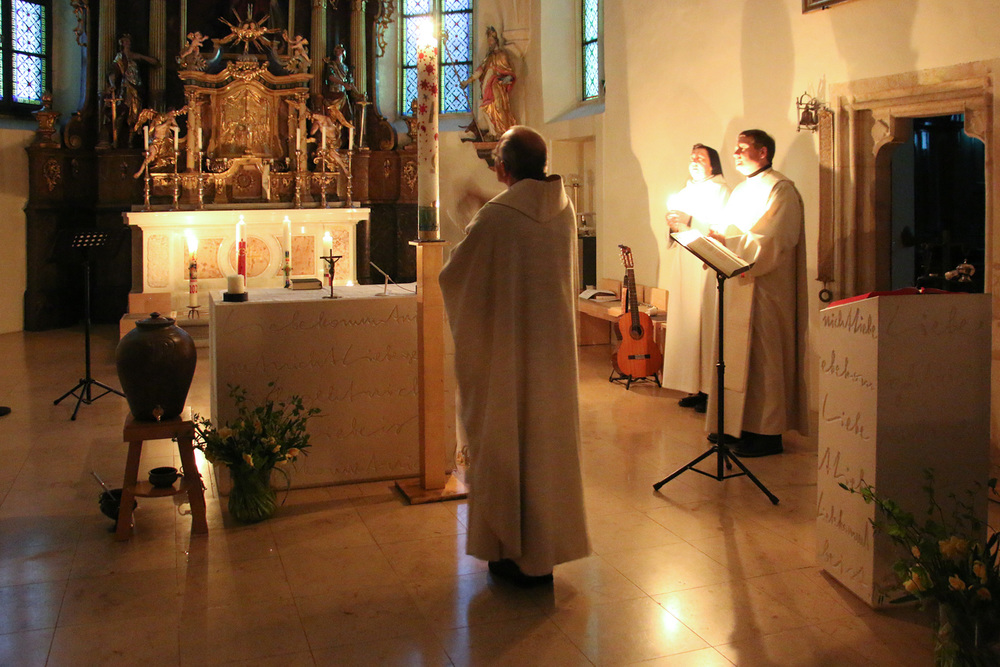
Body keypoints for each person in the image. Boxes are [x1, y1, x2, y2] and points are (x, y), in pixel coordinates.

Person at [439, 125, 590, 586]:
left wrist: (467, 217)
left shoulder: (496, 218)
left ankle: (509, 551)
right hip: (552, 359)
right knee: (546, 448)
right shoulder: (563, 209)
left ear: (503, 167)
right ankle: (543, 553)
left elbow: (457, 276)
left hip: (507, 356)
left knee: (506, 442)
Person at [706, 129, 808, 457]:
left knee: (764, 360)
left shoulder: (781, 189)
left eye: (742, 148)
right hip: (737, 284)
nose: (735, 153)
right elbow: (728, 230)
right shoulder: (740, 190)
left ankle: (766, 433)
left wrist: (729, 242)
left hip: (766, 288)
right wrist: (715, 241)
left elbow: (775, 239)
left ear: (763, 152)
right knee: (733, 358)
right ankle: (733, 425)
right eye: (735, 148)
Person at [662, 144, 730, 413]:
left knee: (706, 326)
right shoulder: (684, 191)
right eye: (692, 158)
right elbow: (676, 230)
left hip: (705, 266)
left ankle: (710, 390)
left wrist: (688, 222)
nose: (694, 161)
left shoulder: (721, 191)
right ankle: (694, 386)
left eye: (700, 158)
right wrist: (673, 224)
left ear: (713, 164)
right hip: (685, 264)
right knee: (688, 325)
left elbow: (719, 228)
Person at [460, 26, 517, 139]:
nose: (489, 43)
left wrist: (507, 78)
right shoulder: (488, 58)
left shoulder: (502, 55)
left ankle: (501, 131)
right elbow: (480, 71)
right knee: (486, 109)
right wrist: (467, 82)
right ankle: (493, 132)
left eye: (491, 40)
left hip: (497, 87)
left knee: (498, 108)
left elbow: (508, 71)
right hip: (487, 87)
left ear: (496, 41)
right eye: (488, 41)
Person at [109, 34, 159, 141]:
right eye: (125, 41)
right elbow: (113, 73)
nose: (128, 43)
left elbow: (149, 60)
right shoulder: (120, 57)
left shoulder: (133, 55)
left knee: (136, 114)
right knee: (123, 111)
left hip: (137, 87)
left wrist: (151, 60)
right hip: (127, 87)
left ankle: (131, 140)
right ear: (122, 43)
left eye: (129, 41)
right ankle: (116, 137)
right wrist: (112, 84)